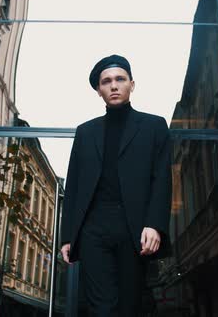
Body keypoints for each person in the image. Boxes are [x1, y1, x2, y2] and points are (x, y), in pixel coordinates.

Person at [60, 54, 172, 316]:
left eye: (120, 79)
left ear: (132, 84)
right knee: (100, 306)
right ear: (98, 90)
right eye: (106, 81)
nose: (113, 85)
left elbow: (162, 180)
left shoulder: (154, 126)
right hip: (93, 229)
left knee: (130, 305)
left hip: (134, 228)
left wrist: (155, 224)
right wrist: (68, 236)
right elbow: (73, 186)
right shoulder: (85, 132)